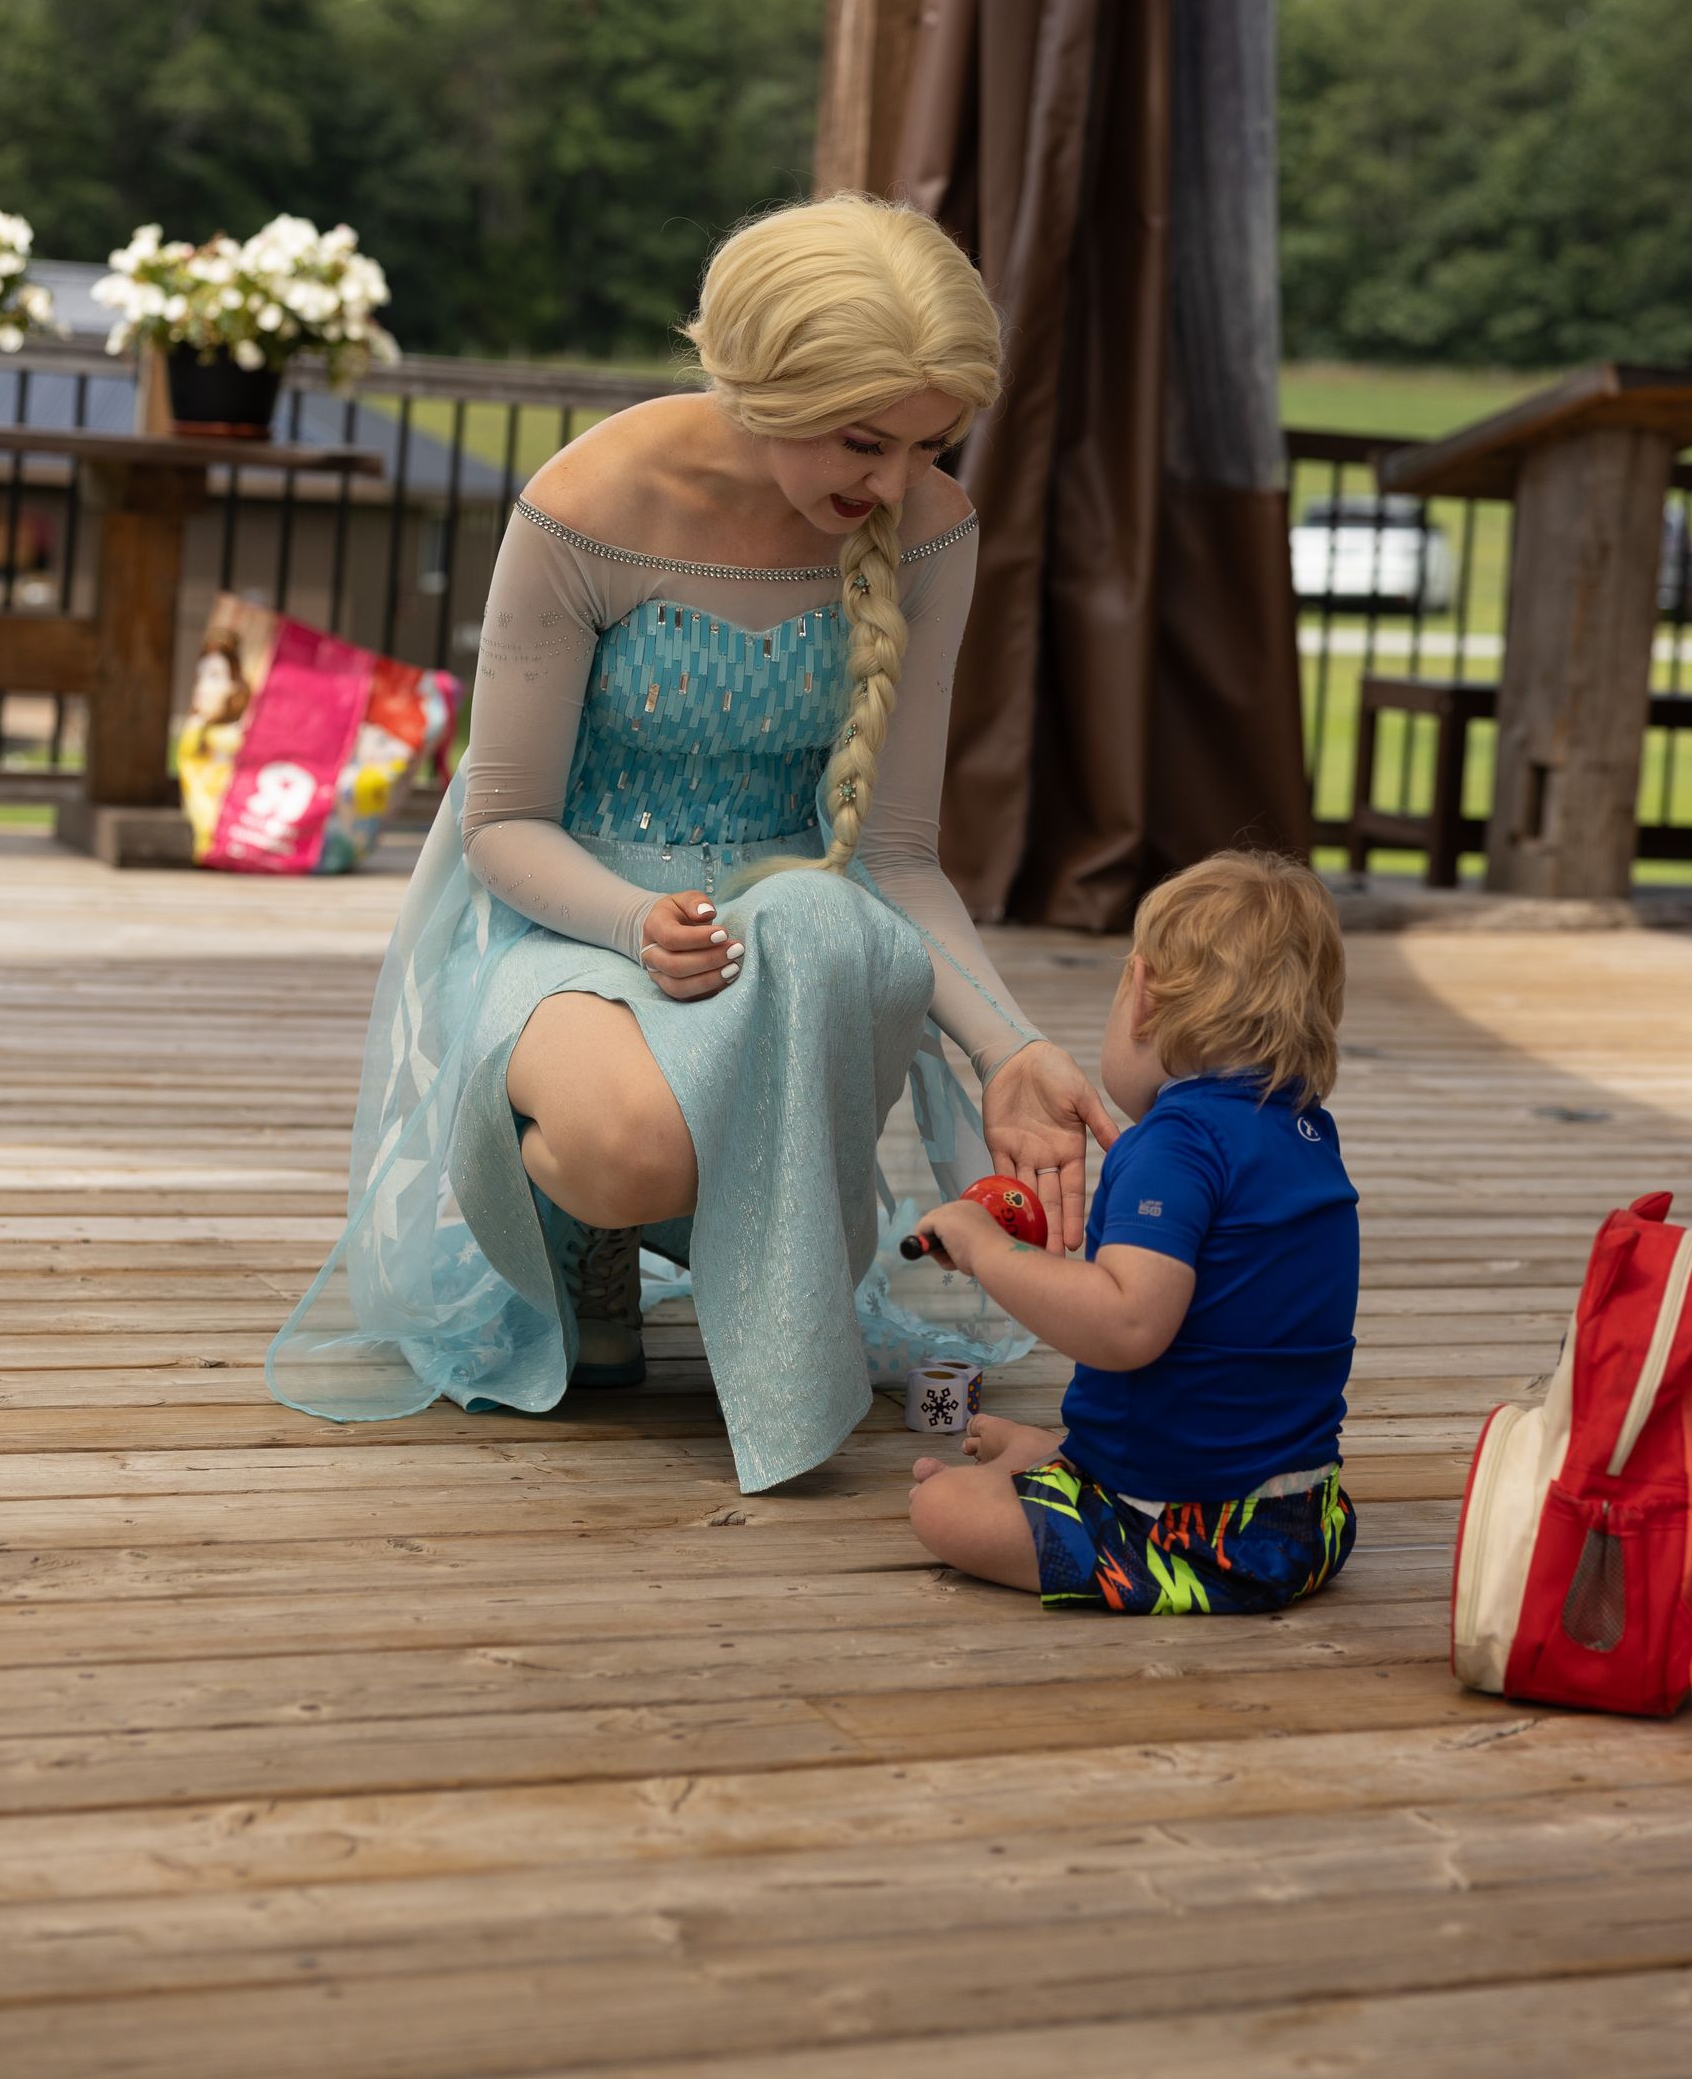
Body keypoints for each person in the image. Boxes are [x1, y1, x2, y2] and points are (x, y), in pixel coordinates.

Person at [267, 195, 1115, 1491]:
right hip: (573, 909)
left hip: (791, 923)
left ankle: (760, 1323)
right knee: (627, 1151)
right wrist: (628, 924)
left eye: (928, 444)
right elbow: (501, 819)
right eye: (863, 439)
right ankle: (590, 1237)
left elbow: (890, 855)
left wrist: (1013, 1047)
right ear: (765, 379)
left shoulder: (931, 527)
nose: (891, 484)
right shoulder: (589, 501)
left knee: (825, 925)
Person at [907, 851, 1358, 1614]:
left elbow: (1125, 1323)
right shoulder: (1307, 1132)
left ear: (1142, 995)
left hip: (1184, 1531)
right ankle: (1059, 1460)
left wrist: (990, 1249)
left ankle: (1068, 1484)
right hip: (1306, 1518)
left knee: (940, 1510)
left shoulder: (1177, 1141)